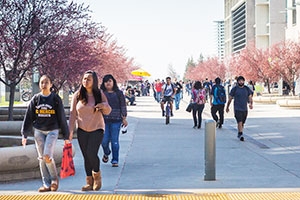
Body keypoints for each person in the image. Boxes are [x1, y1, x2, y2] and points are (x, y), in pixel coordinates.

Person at [21, 75, 70, 192]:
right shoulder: (36, 99)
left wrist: (66, 136)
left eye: (46, 82)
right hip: (38, 131)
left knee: (47, 155)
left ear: (51, 84)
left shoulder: (55, 99)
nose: (44, 85)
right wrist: (25, 134)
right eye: (42, 83)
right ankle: (46, 184)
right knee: (41, 158)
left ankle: (54, 179)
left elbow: (62, 117)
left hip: (52, 130)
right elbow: (28, 116)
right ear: (39, 85)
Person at [68, 70, 111, 191]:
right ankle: (89, 182)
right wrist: (70, 131)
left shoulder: (99, 94)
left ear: (94, 81)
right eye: (84, 79)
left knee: (92, 153)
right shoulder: (78, 95)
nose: (85, 81)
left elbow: (108, 110)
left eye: (89, 79)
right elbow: (72, 114)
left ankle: (97, 175)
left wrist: (103, 106)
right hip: (82, 129)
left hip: (97, 128)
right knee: (86, 156)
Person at [100, 74, 128, 167]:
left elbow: (123, 106)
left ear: (113, 82)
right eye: (106, 81)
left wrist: (124, 118)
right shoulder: (101, 93)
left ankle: (115, 160)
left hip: (116, 120)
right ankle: (106, 153)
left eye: (110, 81)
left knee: (114, 141)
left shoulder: (119, 93)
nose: (108, 83)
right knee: (104, 141)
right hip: (104, 121)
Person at [226, 76, 253, 141]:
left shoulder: (247, 89)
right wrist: (227, 107)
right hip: (237, 108)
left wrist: (250, 104)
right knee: (239, 121)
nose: (241, 82)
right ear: (237, 82)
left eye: (242, 81)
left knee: (242, 122)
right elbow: (230, 98)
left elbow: (250, 97)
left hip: (244, 108)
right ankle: (241, 134)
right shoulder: (235, 89)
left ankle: (239, 132)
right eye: (240, 81)